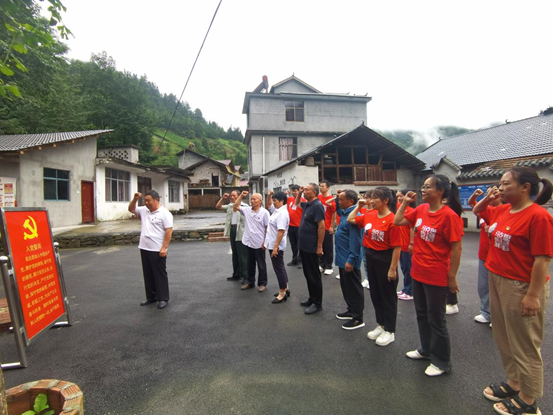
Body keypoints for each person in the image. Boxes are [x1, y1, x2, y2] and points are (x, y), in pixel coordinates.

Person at [473, 167, 552, 415]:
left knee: (525, 343)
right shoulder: (503, 210)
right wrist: (489, 197)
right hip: (497, 279)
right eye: (500, 183)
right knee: (504, 338)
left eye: (505, 183)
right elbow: (477, 211)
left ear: (525, 187)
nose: (500, 187)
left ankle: (528, 400)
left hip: (521, 286)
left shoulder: (538, 216)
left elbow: (542, 260)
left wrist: (532, 295)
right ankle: (514, 383)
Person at [394, 175, 464, 376]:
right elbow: (397, 221)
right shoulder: (421, 209)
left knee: (436, 318)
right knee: (422, 314)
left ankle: (442, 362)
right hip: (418, 271)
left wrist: (452, 277)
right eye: (423, 186)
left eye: (428, 187)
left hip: (436, 274)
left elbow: (457, 249)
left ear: (441, 191)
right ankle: (426, 350)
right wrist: (405, 203)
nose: (423, 190)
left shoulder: (449, 216)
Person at [348, 187, 403, 346]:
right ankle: (382, 324)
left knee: (388, 296)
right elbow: (351, 219)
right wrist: (358, 206)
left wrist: (392, 269)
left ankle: (390, 331)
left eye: (374, 198)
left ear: (386, 200)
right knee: (376, 294)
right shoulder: (370, 215)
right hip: (371, 256)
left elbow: (397, 247)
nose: (371, 201)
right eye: (370, 197)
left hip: (385, 258)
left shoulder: (393, 220)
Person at [128, 190, 173, 310]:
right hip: (144, 247)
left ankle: (163, 298)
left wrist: (164, 247)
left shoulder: (164, 213)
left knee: (159, 274)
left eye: (149, 201)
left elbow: (169, 231)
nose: (146, 203)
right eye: (145, 201)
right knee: (148, 273)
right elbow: (131, 209)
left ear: (156, 199)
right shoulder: (144, 210)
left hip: (157, 249)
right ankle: (151, 296)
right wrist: (135, 199)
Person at [468, 187, 502, 324]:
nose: (490, 196)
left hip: (499, 257)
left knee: (498, 288)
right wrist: (476, 195)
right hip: (484, 254)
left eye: (493, 193)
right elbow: (473, 205)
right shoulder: (487, 210)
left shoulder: (504, 211)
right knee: (483, 286)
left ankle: (498, 317)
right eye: (488, 193)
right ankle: (486, 312)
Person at [334, 189, 365, 330]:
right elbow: (337, 208)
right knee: (346, 287)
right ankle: (351, 310)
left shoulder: (355, 217)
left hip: (349, 259)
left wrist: (351, 259)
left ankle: (358, 318)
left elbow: (356, 241)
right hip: (342, 258)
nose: (339, 201)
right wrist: (337, 198)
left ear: (351, 201)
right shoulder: (345, 212)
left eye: (341, 199)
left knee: (354, 288)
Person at [296, 183, 326, 314]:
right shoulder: (307, 204)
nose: (304, 191)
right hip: (304, 246)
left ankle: (317, 303)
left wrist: (319, 246)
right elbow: (297, 204)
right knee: (308, 274)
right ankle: (312, 298)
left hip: (312, 246)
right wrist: (299, 193)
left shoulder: (317, 205)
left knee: (314, 275)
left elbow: (321, 226)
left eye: (307, 190)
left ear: (314, 192)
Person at [234, 191, 270, 292]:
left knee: (261, 264)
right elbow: (236, 206)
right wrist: (241, 196)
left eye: (254, 199)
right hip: (248, 241)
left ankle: (262, 283)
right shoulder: (247, 210)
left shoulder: (265, 213)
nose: (252, 201)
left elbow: (267, 228)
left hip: (259, 242)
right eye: (251, 199)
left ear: (260, 201)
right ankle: (250, 282)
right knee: (250, 264)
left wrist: (265, 241)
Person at [216, 191, 248, 284]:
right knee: (235, 253)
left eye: (234, 196)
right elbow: (218, 206)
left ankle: (245, 276)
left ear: (239, 196)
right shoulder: (230, 206)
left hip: (240, 231)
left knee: (242, 255)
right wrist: (223, 198)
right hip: (232, 230)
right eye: (231, 196)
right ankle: (236, 274)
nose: (232, 197)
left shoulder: (245, 207)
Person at [264, 191, 291, 303]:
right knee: (280, 267)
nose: (273, 202)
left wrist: (275, 247)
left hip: (276, 245)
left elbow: (281, 231)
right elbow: (268, 205)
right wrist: (269, 196)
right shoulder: (277, 210)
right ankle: (286, 287)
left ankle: (282, 293)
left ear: (282, 201)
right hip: (273, 243)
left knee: (278, 269)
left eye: (275, 200)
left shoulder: (282, 214)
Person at [396, 189, 415, 301]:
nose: (399, 198)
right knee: (404, 268)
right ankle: (405, 289)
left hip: (407, 244)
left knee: (409, 269)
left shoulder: (411, 211)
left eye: (401, 196)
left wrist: (411, 243)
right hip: (401, 244)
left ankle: (410, 291)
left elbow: (412, 228)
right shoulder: (400, 209)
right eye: (398, 196)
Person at [318, 180, 336, 275]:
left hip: (327, 225)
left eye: (323, 186)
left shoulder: (331, 199)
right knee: (320, 245)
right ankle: (322, 264)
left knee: (328, 247)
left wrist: (332, 226)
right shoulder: (318, 197)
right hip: (319, 226)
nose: (321, 188)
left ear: (328, 188)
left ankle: (329, 266)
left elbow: (333, 213)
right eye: (320, 186)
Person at [286, 185, 306, 268]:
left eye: (296, 191)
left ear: (299, 191)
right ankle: (295, 259)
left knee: (300, 244)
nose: (294, 192)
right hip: (291, 225)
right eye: (293, 191)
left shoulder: (303, 201)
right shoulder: (290, 199)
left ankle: (301, 260)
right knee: (293, 244)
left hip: (299, 226)